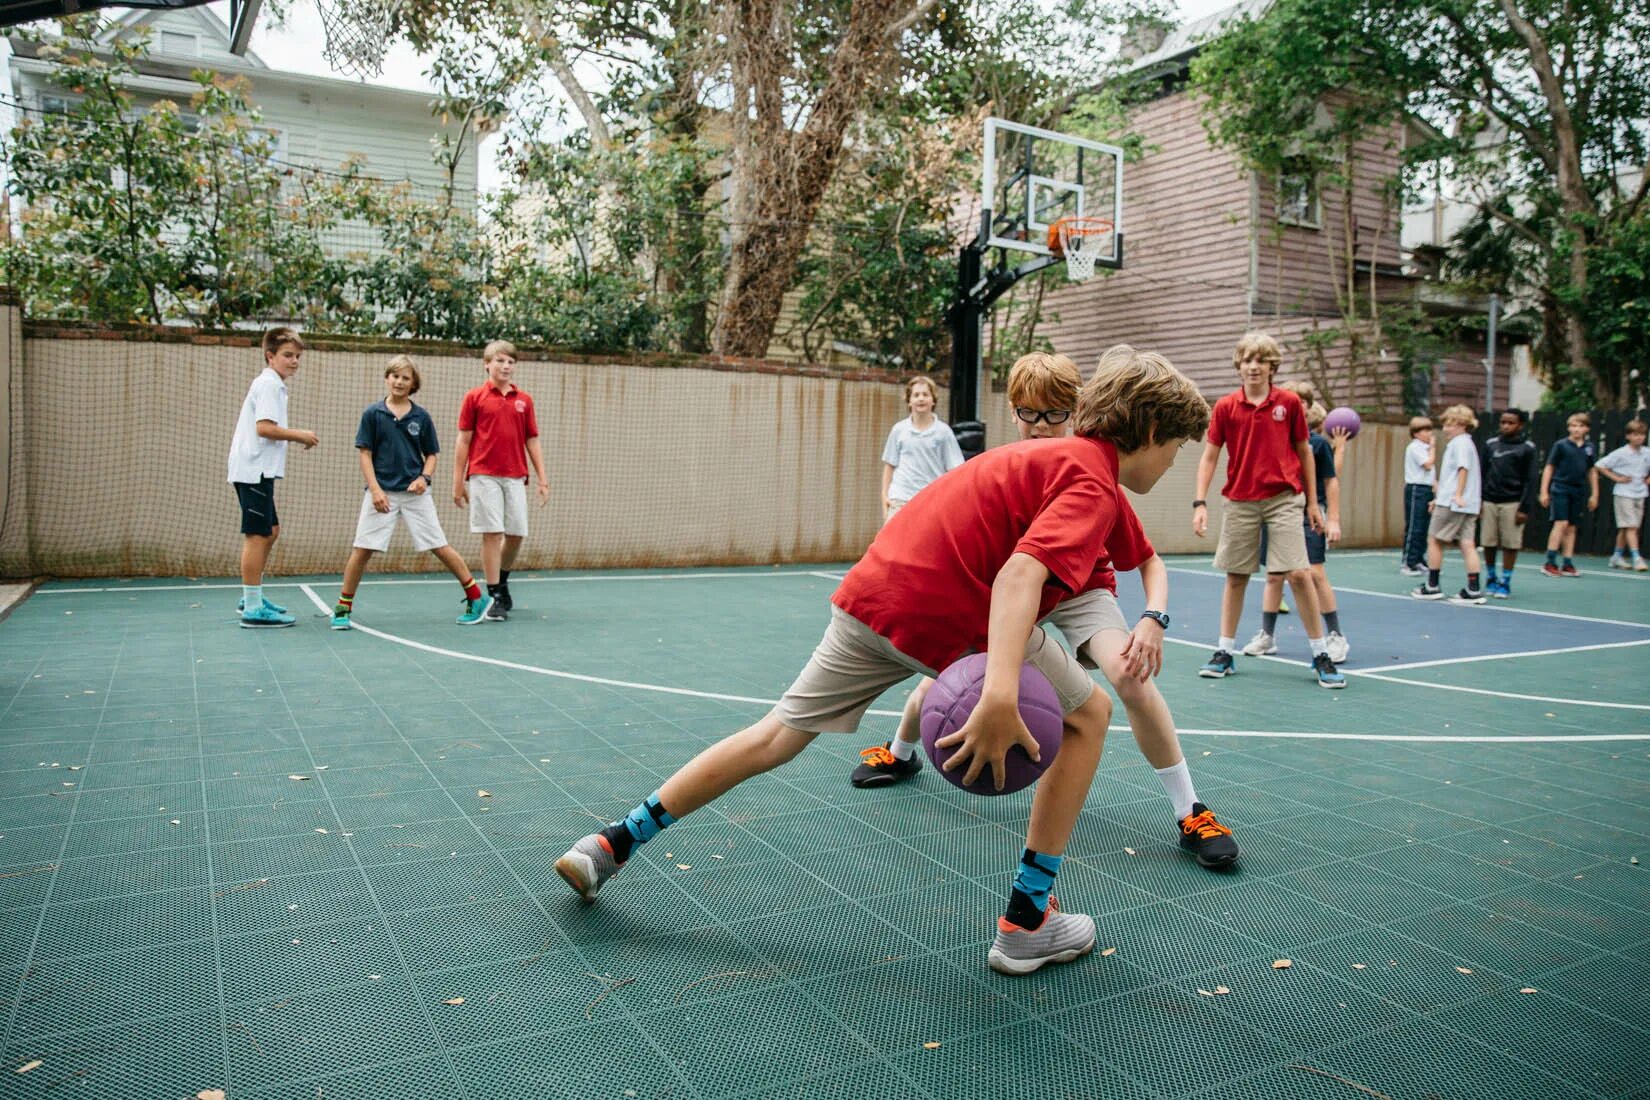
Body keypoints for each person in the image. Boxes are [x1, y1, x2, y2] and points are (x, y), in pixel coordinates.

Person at [554, 348, 1211, 977]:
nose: (1174, 459)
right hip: (944, 611)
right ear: (1151, 428)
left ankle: (611, 843)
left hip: (873, 593)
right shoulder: (1092, 482)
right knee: (1088, 718)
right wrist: (1001, 694)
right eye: (1176, 446)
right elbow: (1017, 579)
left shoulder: (1053, 459)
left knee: (774, 736)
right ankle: (1027, 920)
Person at [850, 351, 1237, 870]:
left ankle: (1190, 809)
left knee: (1130, 675)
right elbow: (1006, 571)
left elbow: (1149, 563)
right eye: (1029, 413)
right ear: (1013, 413)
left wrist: (1153, 618)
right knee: (958, 674)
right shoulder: (1013, 471)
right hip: (1017, 591)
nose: (1041, 425)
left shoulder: (1095, 479)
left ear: (1076, 414)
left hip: (1079, 589)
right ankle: (900, 753)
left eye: (1055, 414)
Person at [1191, 332, 1344, 688]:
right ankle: (1224, 652)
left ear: (1272, 366)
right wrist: (1200, 503)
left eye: (1261, 360)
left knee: (1300, 574)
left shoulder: (1289, 403)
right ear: (1239, 366)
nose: (1253, 366)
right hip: (1241, 499)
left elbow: (1305, 452)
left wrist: (1310, 503)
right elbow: (1210, 456)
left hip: (1283, 498)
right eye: (1247, 360)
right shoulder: (1226, 407)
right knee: (1236, 575)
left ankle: (1320, 653)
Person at [330, 356, 494, 629]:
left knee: (439, 545)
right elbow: (365, 454)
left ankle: (476, 597)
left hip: (416, 494)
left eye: (406, 378)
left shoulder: (421, 417)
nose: (399, 382)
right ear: (387, 378)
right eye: (395, 376)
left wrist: (424, 478)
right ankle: (342, 608)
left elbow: (431, 455)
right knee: (362, 549)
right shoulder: (373, 414)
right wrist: (375, 490)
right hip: (381, 493)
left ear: (413, 384)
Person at [1245, 388, 1350, 663]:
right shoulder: (1274, 440)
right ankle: (1266, 636)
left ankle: (1336, 636)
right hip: (1275, 513)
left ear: (1306, 406)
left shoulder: (1318, 444)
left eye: (1301, 401)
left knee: (1314, 574)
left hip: (1308, 516)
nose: (1295, 404)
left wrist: (1334, 519)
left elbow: (1331, 480)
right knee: (1274, 576)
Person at [226, 327, 318, 629]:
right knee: (257, 534)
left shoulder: (275, 384)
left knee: (271, 530)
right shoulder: (268, 384)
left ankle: (252, 593)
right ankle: (252, 606)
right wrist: (300, 435)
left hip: (260, 470)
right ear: (270, 356)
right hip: (252, 470)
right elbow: (264, 427)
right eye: (287, 355)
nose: (294, 361)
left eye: (297, 356)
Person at [453, 340, 550, 620]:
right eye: (500, 361)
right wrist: (457, 481)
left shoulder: (524, 400)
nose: (506, 366)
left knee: (516, 533)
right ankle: (494, 593)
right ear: (487, 364)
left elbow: (532, 439)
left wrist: (543, 478)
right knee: (492, 533)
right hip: (483, 475)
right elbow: (464, 440)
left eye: (510, 362)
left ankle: (503, 580)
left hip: (515, 475)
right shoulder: (474, 397)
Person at [1411, 405, 1486, 604]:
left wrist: (1456, 495)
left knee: (1434, 539)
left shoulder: (1459, 443)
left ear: (1462, 424)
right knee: (1467, 544)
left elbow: (1463, 469)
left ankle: (1432, 586)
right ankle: (1473, 589)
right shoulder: (1468, 443)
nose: (1445, 428)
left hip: (1453, 503)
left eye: (1449, 423)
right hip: (1468, 503)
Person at [881, 374, 964, 522]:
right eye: (916, 395)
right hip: (900, 500)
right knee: (893, 544)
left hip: (931, 501)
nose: (921, 398)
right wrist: (885, 496)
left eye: (925, 394)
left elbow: (956, 470)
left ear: (933, 400)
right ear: (909, 401)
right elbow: (889, 465)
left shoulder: (943, 432)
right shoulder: (899, 430)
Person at [1479, 408, 1541, 598]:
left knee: (1510, 544)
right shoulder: (1491, 445)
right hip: (1489, 501)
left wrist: (1524, 507)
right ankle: (1490, 577)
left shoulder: (1527, 448)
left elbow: (1531, 480)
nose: (1506, 426)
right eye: (1503, 422)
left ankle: (1505, 581)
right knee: (1488, 542)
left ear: (1520, 425)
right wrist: (1479, 501)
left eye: (1511, 422)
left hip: (1513, 503)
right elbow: (1481, 474)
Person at [1539, 412, 1599, 578]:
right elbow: (1549, 467)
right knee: (1561, 523)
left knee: (1572, 527)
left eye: (1580, 426)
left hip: (1578, 490)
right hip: (1560, 487)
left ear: (1586, 428)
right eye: (1573, 426)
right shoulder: (1561, 445)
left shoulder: (1589, 447)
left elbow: (1592, 471)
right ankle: (1550, 561)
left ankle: (1567, 562)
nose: (1576, 429)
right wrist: (1544, 491)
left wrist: (1595, 494)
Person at [1598, 418, 1649, 571]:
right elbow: (1600, 465)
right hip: (1624, 493)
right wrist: (1617, 478)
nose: (1639, 437)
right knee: (1631, 527)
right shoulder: (1621, 453)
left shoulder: (1647, 452)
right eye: (1635, 434)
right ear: (1628, 436)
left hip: (1640, 493)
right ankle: (1637, 558)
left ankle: (1616, 556)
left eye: (1642, 434)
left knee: (1627, 528)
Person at [1399, 416, 1435, 576]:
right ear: (1415, 433)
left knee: (1423, 527)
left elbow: (1431, 472)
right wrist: (1433, 448)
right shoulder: (1415, 447)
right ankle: (1408, 562)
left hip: (1426, 489)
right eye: (1425, 430)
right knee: (1414, 526)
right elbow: (1428, 465)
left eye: (1429, 430)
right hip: (1416, 489)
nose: (1429, 434)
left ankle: (1419, 559)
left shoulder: (1424, 448)